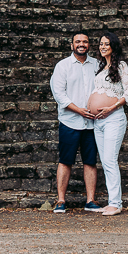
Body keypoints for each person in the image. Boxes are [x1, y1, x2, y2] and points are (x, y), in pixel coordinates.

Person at [49, 32, 103, 213]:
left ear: (89, 45)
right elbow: (59, 94)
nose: (82, 44)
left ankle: (90, 200)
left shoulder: (97, 64)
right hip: (70, 121)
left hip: (92, 123)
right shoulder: (62, 66)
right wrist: (79, 110)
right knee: (65, 161)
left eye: (85, 41)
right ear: (72, 44)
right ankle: (61, 201)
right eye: (78, 41)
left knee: (90, 161)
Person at [88, 31, 128, 216]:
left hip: (114, 119)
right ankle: (112, 201)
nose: (103, 46)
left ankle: (116, 203)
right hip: (98, 122)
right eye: (100, 44)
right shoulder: (100, 68)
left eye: (106, 44)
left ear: (113, 46)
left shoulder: (121, 66)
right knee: (105, 161)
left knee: (110, 160)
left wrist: (111, 108)